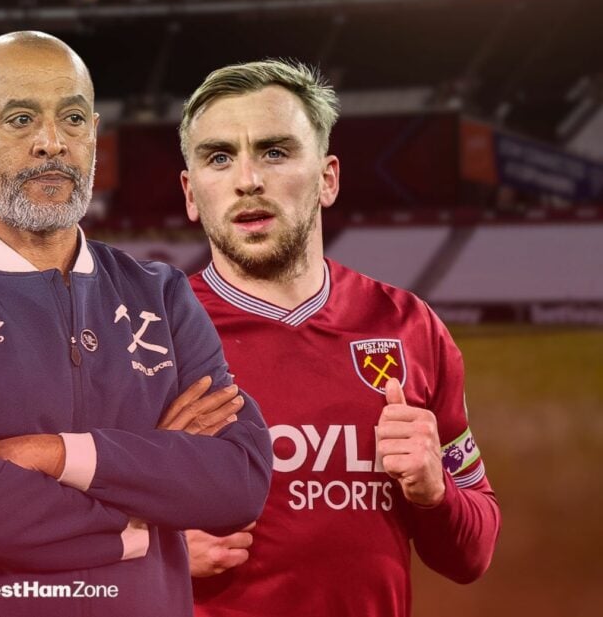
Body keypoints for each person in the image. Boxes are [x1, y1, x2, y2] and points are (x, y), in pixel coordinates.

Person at [0, 31, 273, 617]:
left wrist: (57, 455)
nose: (52, 143)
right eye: (20, 119)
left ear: (94, 132)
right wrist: (138, 519)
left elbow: (239, 480)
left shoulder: (162, 294)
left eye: (72, 118)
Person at [178, 59, 501, 616]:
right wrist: (144, 553)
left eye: (275, 151)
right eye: (219, 157)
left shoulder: (409, 326)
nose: (247, 179)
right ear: (190, 192)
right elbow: (27, 535)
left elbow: (471, 555)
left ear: (327, 179)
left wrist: (435, 490)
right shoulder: (145, 335)